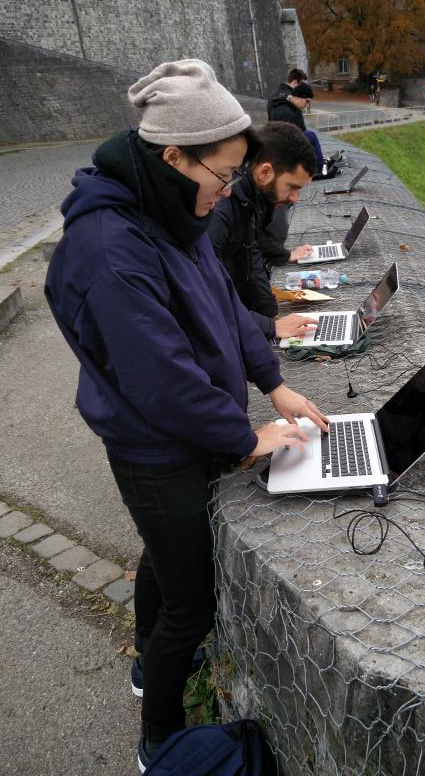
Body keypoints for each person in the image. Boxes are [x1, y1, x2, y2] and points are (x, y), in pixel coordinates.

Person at [44, 59, 327, 772]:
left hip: (183, 430)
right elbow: (158, 375)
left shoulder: (173, 207)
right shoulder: (112, 244)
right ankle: (160, 739)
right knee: (191, 605)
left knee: (164, 555)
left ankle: (147, 661)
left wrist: (273, 382)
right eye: (222, 176)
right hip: (152, 443)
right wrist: (243, 435)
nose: (228, 192)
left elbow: (225, 306)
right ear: (173, 155)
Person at [208, 121, 318, 342]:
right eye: (293, 187)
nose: (295, 198)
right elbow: (205, 291)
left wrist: (270, 314)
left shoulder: (248, 197)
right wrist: (268, 326)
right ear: (265, 172)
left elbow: (252, 252)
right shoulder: (221, 208)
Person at [267, 82, 324, 174]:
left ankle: (317, 168)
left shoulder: (291, 107)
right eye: (307, 101)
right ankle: (317, 170)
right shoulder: (286, 112)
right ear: (298, 97)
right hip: (282, 150)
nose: (308, 105)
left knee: (309, 135)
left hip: (284, 146)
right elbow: (291, 142)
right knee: (311, 136)